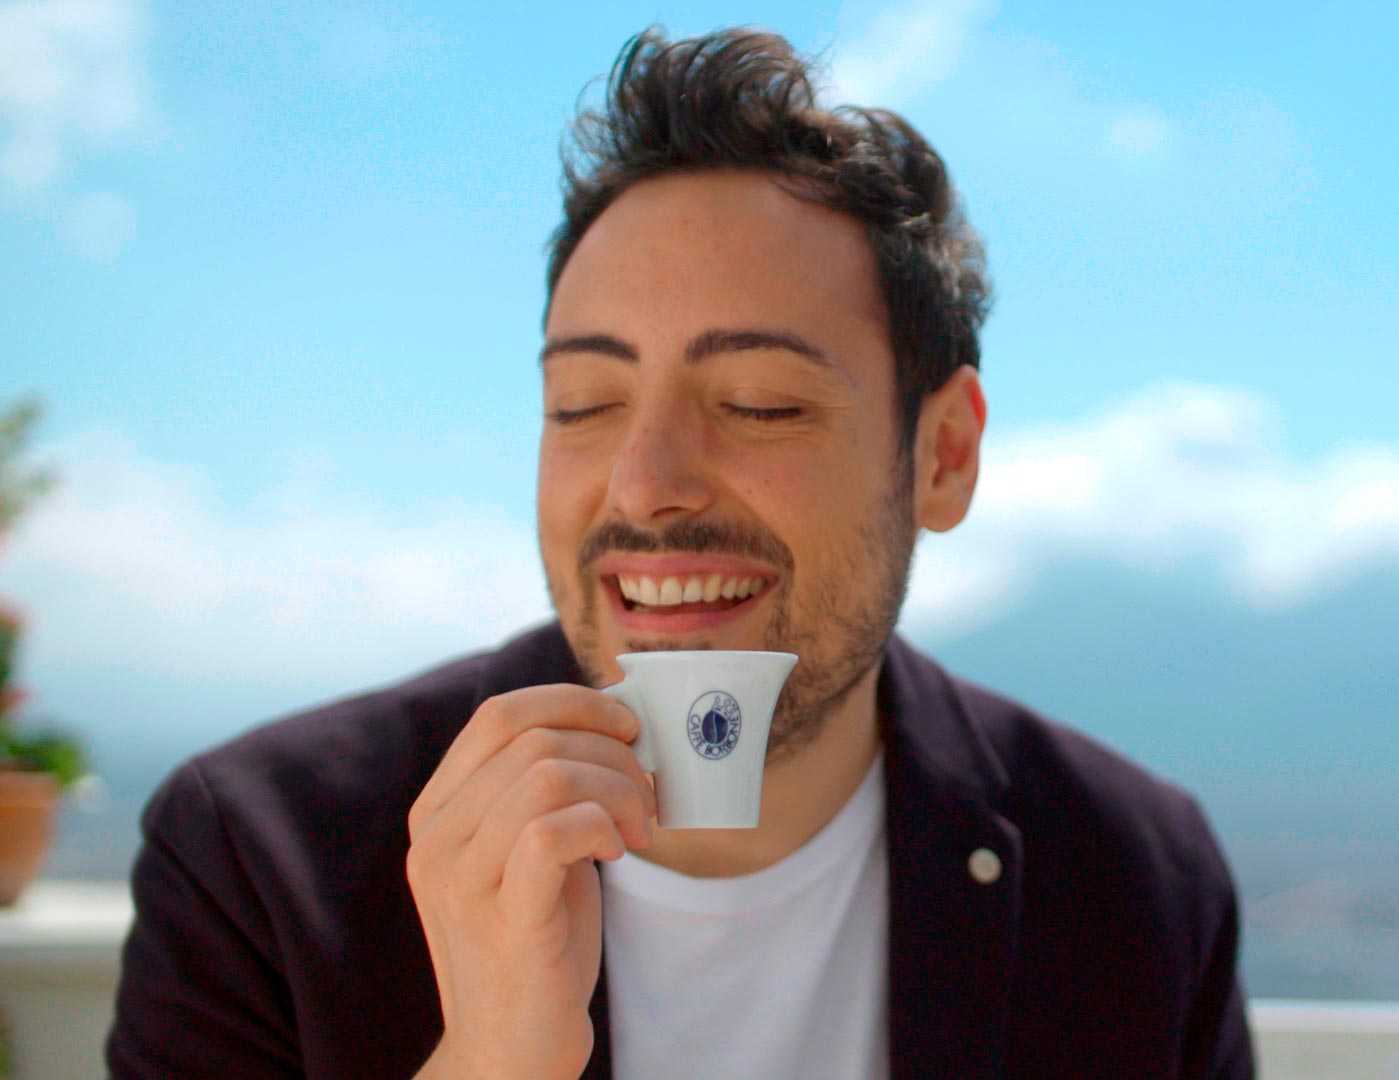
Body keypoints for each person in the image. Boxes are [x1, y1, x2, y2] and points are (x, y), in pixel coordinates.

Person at [108, 26, 1253, 1079]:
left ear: (943, 457)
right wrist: (491, 1057)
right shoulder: (257, 860)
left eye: (758, 403)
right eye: (585, 404)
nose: (644, 486)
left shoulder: (1138, 883)